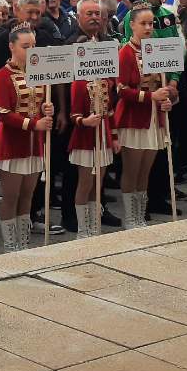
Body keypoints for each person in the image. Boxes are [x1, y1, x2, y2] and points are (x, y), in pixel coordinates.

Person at [0, 22, 51, 249]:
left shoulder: (38, 71)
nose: (31, 50)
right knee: (11, 197)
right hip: (12, 143)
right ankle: (10, 245)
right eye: (26, 46)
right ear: (12, 47)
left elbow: (41, 102)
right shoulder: (4, 75)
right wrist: (35, 124)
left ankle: (23, 243)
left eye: (33, 45)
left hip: (35, 144)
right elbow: (4, 114)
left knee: (27, 196)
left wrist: (46, 109)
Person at [114, 5, 175, 228]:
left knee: (145, 171)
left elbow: (163, 84)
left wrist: (167, 98)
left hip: (154, 118)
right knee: (132, 169)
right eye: (144, 24)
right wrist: (150, 97)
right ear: (132, 25)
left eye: (151, 24)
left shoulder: (157, 50)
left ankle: (140, 215)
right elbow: (120, 90)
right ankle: (131, 217)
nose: (149, 28)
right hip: (133, 118)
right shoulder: (125, 52)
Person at [68, 42, 116, 236]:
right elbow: (74, 115)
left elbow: (110, 112)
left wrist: (113, 137)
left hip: (103, 136)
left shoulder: (106, 81)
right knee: (85, 183)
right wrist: (85, 121)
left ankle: (94, 226)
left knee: (99, 184)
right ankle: (82, 229)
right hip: (85, 138)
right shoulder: (78, 83)